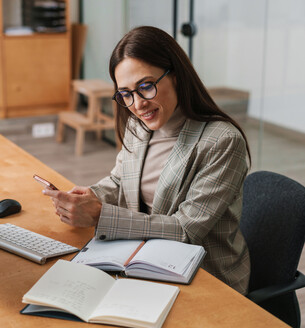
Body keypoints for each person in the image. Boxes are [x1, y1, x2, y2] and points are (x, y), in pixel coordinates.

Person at [44, 26, 251, 295]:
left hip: (207, 278)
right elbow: (120, 180)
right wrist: (91, 196)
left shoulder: (222, 141)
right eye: (126, 94)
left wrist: (99, 214)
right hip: (145, 261)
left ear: (175, 76)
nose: (138, 104)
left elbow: (185, 229)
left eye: (146, 86)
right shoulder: (138, 126)